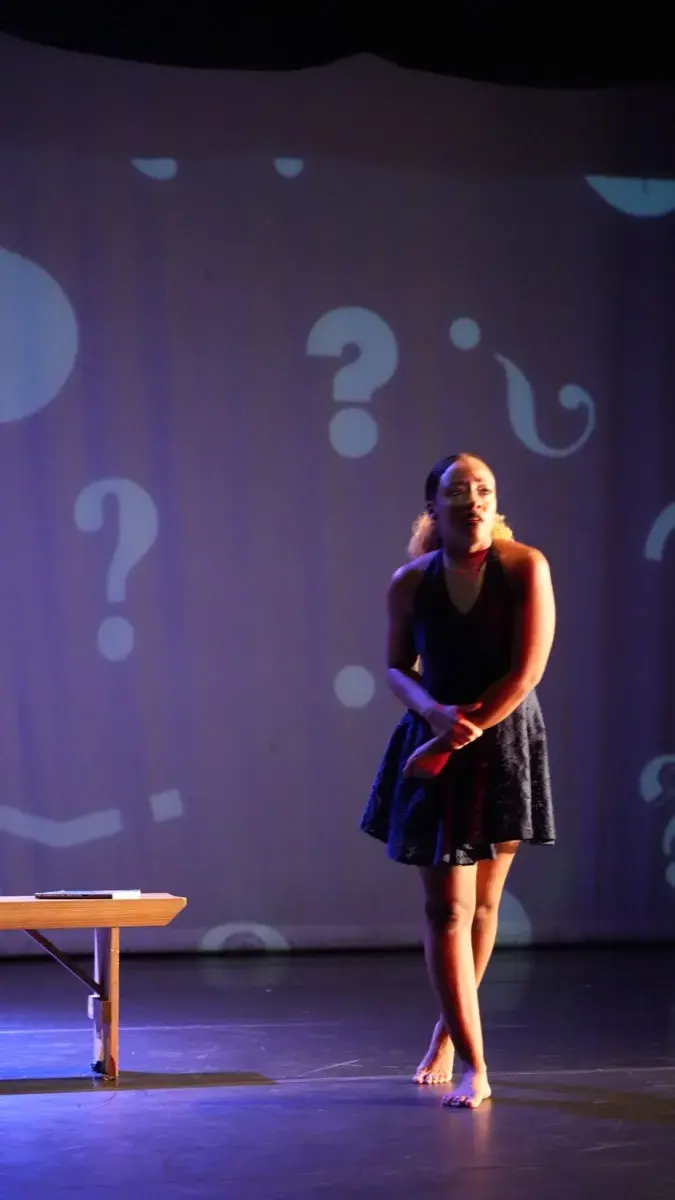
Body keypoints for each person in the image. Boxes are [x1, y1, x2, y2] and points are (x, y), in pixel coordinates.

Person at [360, 453, 556, 1109]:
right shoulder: (409, 582)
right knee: (446, 909)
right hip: (436, 736)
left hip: (502, 741)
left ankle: (447, 1033)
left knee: (483, 907)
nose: (472, 498)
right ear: (432, 506)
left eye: (483, 489)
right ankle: (477, 1063)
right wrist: (433, 717)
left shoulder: (524, 566)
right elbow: (394, 668)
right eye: (456, 489)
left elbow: (525, 673)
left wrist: (461, 732)